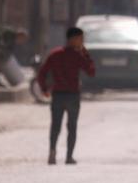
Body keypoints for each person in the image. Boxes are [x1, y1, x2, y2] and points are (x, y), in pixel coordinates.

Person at [37, 27, 96, 165]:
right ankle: (69, 157)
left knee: (55, 126)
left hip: (57, 95)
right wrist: (85, 53)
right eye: (80, 39)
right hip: (72, 96)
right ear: (73, 39)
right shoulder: (78, 55)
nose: (82, 42)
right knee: (72, 127)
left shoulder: (54, 54)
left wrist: (44, 89)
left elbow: (42, 73)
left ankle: (52, 151)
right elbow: (91, 72)